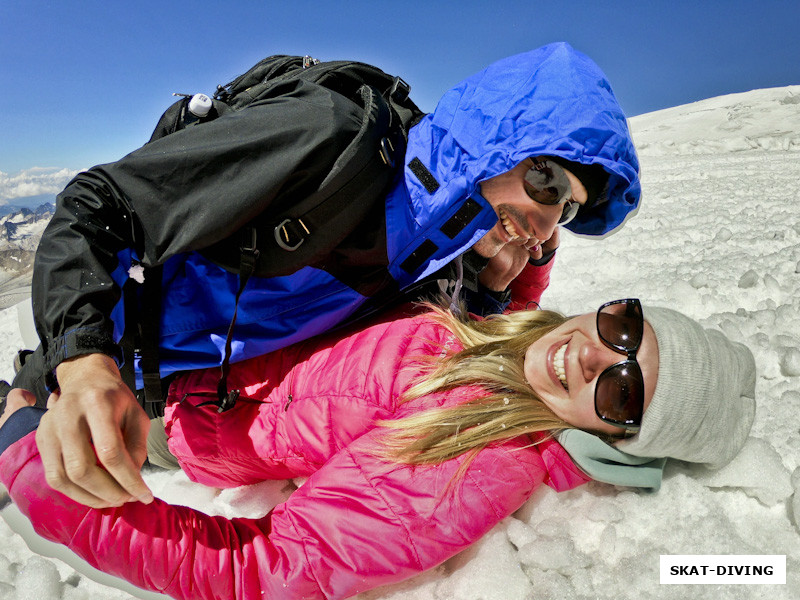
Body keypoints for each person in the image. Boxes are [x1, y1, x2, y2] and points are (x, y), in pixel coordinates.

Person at [11, 42, 641, 508]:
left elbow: (449, 359)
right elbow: (101, 205)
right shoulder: (328, 141)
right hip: (102, 363)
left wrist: (505, 283)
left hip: (175, 401)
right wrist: (80, 361)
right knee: (22, 448)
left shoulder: (444, 246)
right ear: (493, 142)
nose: (547, 215)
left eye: (568, 206)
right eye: (546, 180)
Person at [0, 298, 756, 600]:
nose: (597, 355)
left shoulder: (472, 461)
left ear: (613, 442)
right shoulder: (501, 340)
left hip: (168, 429)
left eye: (623, 392)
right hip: (179, 358)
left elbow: (261, 572)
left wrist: (25, 461)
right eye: (622, 328)